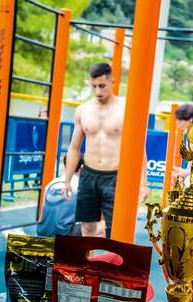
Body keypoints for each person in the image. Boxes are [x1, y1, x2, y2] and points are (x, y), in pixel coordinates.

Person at [62, 63, 148, 238]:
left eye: (102, 86)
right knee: (87, 228)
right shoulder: (83, 110)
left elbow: (139, 149)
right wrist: (67, 180)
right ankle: (89, 266)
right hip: (89, 174)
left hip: (116, 176)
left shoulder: (127, 108)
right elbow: (74, 147)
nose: (97, 91)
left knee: (116, 231)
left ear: (112, 82)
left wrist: (143, 183)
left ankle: (112, 264)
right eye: (93, 86)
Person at [37, 155, 84, 237]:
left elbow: (42, 214)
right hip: (64, 236)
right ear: (82, 167)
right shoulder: (82, 186)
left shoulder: (51, 183)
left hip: (43, 232)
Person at [171, 103, 193, 184]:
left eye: (180, 120)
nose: (177, 123)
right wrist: (185, 172)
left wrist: (186, 173)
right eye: (177, 120)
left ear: (190, 119)